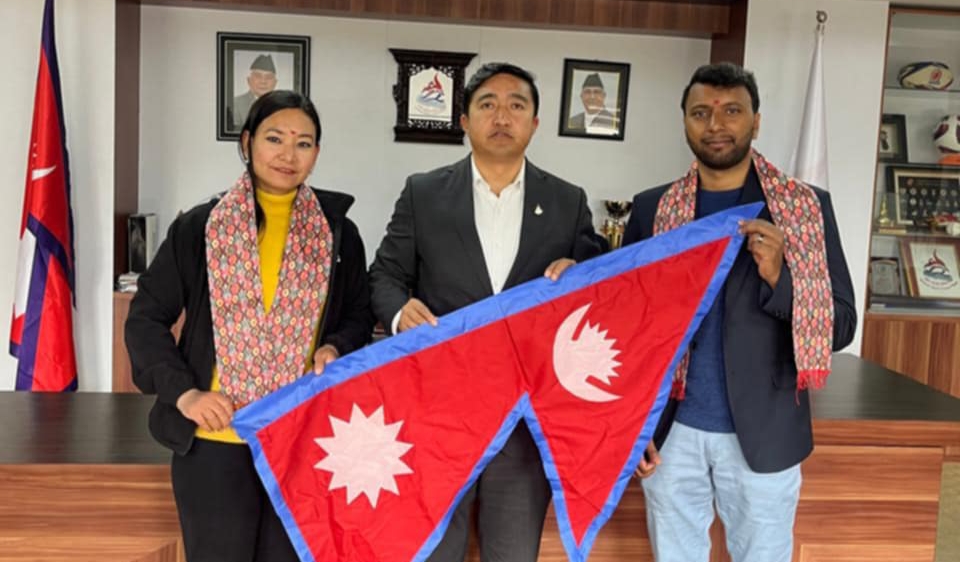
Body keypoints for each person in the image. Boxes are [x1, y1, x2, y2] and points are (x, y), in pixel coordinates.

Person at [125, 90, 374, 562]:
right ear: (247, 142)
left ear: (316, 153)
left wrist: (336, 346)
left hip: (300, 439)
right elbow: (145, 318)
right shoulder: (201, 227)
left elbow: (358, 314)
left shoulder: (339, 233)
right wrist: (185, 394)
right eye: (274, 138)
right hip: (215, 439)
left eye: (303, 143)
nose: (288, 154)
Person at [369, 62, 603, 562]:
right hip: (437, 412)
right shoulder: (424, 193)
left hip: (526, 419)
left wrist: (580, 272)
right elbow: (384, 274)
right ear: (465, 120)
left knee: (513, 553)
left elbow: (600, 289)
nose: (502, 117)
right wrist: (399, 314)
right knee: (434, 551)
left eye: (516, 105)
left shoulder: (567, 201)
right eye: (488, 105)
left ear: (534, 123)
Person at [623, 63, 857, 562]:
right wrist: (633, 423)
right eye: (700, 113)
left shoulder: (804, 208)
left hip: (765, 433)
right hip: (670, 433)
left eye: (732, 111)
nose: (716, 125)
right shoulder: (652, 209)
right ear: (684, 122)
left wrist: (779, 279)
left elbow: (840, 324)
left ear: (756, 121)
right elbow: (628, 330)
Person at [231, 54, 278, 128]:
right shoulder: (236, 104)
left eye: (268, 77)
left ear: (275, 83)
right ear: (249, 80)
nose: (263, 81)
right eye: (258, 76)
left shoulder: (283, 106)